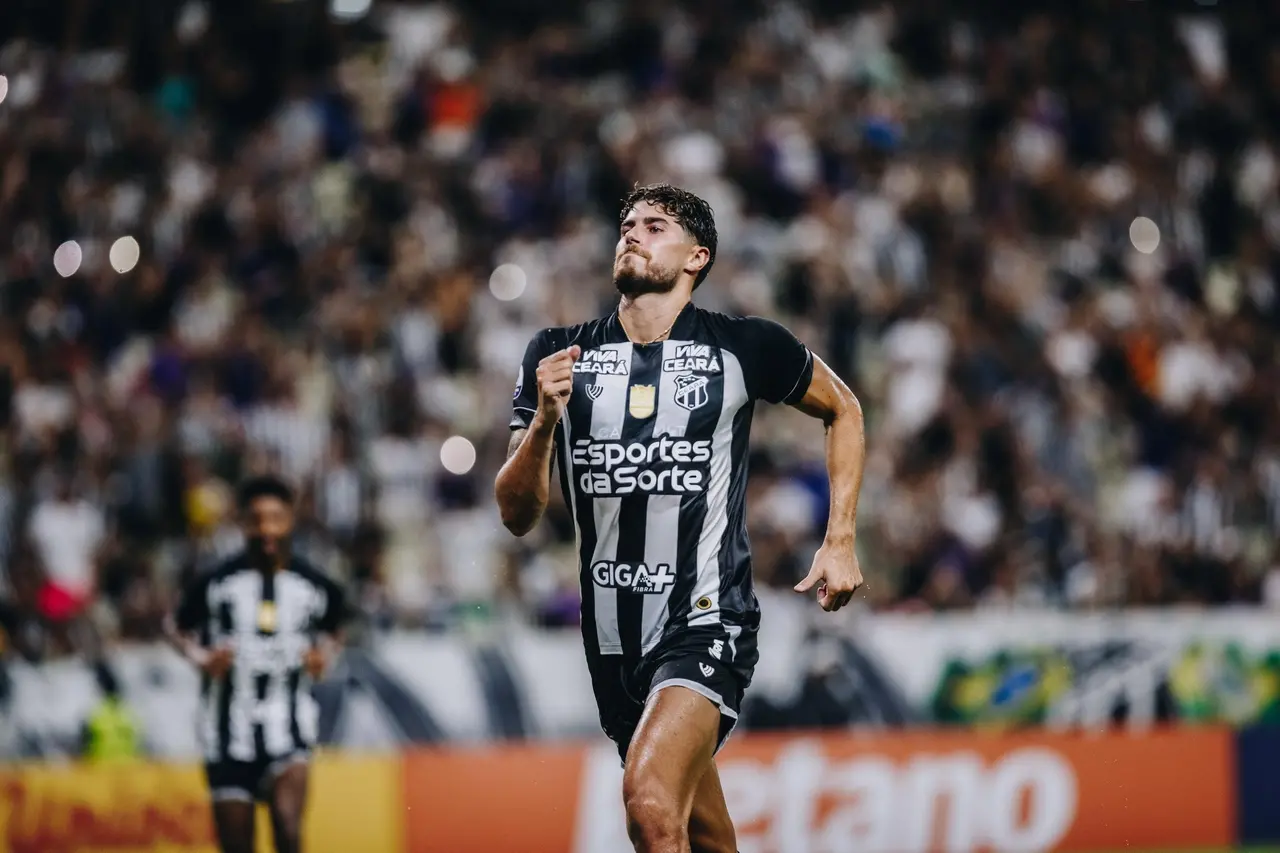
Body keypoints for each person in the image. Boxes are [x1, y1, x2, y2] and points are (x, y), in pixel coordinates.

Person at [495, 183, 866, 853]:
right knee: (700, 833)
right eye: (627, 225)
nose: (632, 234)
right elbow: (516, 514)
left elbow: (844, 407)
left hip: (705, 620)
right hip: (613, 641)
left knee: (648, 801)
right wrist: (544, 421)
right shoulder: (558, 354)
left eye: (654, 226)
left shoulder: (743, 346)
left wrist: (839, 539)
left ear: (697, 257)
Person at [168, 474, 347, 853]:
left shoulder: (314, 585)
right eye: (256, 520)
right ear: (243, 524)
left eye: (276, 519)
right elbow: (176, 627)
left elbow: (338, 628)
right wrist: (202, 658)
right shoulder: (216, 583)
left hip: (289, 727)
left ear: (290, 522)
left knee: (288, 825)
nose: (266, 529)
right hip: (226, 735)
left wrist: (323, 656)